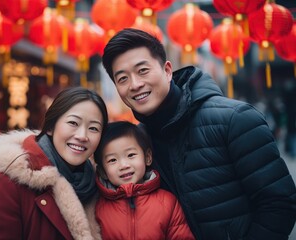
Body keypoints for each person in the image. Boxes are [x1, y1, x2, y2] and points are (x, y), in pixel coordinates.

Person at [101, 28, 296, 240]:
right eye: (122, 79)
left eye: (143, 71)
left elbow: (279, 203)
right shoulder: (139, 142)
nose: (135, 84)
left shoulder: (235, 119)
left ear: (167, 71)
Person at [0, 87, 108, 240]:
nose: (82, 136)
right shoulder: (8, 182)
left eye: (93, 128)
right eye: (73, 122)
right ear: (51, 127)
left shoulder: (97, 187)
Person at [93, 121, 195, 240]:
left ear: (147, 157)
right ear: (102, 172)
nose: (124, 165)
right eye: (112, 160)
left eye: (130, 155)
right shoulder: (97, 208)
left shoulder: (167, 202)